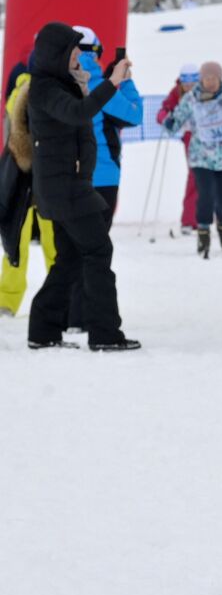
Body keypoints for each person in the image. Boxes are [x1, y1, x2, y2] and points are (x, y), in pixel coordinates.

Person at [24, 22, 139, 350]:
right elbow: (78, 113)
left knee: (71, 259)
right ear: (57, 53)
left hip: (70, 186)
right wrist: (112, 82)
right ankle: (105, 334)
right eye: (74, 48)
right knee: (98, 251)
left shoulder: (62, 83)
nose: (79, 54)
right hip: (66, 189)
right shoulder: (46, 88)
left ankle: (43, 331)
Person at [161, 61, 222, 258]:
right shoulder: (192, 98)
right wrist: (169, 122)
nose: (209, 82)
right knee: (206, 196)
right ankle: (203, 236)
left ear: (220, 78)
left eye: (213, 78)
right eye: (206, 78)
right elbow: (177, 120)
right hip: (201, 157)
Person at [0, 64, 56, 317]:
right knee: (19, 244)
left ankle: (58, 296)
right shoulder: (27, 88)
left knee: (49, 243)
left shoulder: (38, 86)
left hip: (36, 178)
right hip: (26, 177)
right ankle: (7, 299)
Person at [73, 27, 142, 227]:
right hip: (102, 175)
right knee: (96, 247)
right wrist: (126, 81)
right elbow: (134, 115)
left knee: (68, 248)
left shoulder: (56, 85)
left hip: (63, 177)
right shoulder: (99, 87)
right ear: (94, 53)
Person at [157, 64, 201, 234]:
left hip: (212, 137)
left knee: (215, 176)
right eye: (185, 81)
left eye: (193, 81)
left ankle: (221, 218)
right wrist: (165, 118)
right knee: (195, 175)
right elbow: (164, 110)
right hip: (190, 136)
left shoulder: (207, 90)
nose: (189, 85)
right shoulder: (176, 92)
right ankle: (190, 220)